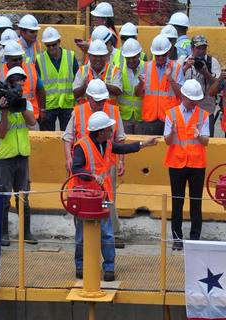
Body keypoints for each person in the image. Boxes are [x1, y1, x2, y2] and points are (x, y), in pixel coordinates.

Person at [71, 110, 156, 279]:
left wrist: (144, 144)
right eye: (110, 129)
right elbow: (76, 169)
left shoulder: (107, 144)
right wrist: (92, 175)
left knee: (107, 233)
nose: (112, 131)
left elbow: (123, 148)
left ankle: (109, 268)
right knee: (82, 235)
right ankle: (80, 266)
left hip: (103, 197)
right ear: (101, 132)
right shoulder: (82, 146)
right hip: (85, 198)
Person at [63, 77, 125, 244]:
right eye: (97, 101)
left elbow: (120, 139)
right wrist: (69, 157)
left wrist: (121, 162)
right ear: (89, 98)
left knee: (108, 201)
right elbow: (67, 137)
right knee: (83, 204)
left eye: (103, 100)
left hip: (106, 166)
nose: (101, 103)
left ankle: (110, 235)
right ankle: (84, 240)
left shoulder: (113, 111)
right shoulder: (78, 112)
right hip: (83, 169)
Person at [0, 68, 38, 246]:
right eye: (16, 84)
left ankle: (26, 233)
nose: (20, 88)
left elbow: (32, 122)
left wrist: (19, 104)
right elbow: (0, 134)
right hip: (3, 158)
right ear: (9, 83)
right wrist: (4, 110)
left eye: (22, 84)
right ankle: (3, 234)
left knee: (23, 197)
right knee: (2, 198)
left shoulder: (25, 104)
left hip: (21, 157)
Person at [163, 79, 209, 251]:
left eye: (196, 100)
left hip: (197, 163)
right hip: (176, 163)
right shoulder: (171, 114)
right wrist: (172, 133)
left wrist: (199, 136)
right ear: (183, 96)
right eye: (191, 100)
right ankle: (177, 238)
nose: (193, 103)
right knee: (177, 202)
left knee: (196, 203)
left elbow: (206, 141)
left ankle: (194, 238)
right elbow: (167, 141)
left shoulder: (203, 115)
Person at [0, 40, 44, 124]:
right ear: (7, 59)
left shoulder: (31, 68)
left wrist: (42, 109)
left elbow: (40, 89)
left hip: (30, 114)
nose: (18, 62)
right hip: (7, 116)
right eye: (15, 60)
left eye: (20, 59)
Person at [38, 27, 78, 132]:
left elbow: (78, 79)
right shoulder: (40, 59)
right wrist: (41, 108)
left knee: (68, 135)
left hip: (67, 104)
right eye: (48, 45)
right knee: (48, 135)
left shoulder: (70, 56)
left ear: (59, 42)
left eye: (53, 45)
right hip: (48, 105)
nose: (51, 48)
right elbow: (38, 85)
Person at [139, 36, 182, 135]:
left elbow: (180, 95)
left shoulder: (176, 68)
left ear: (168, 52)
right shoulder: (146, 67)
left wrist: (170, 78)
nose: (160, 58)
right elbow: (138, 93)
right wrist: (140, 83)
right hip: (149, 119)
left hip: (170, 119)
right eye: (157, 55)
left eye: (163, 55)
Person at [179, 36, 221, 135]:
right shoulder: (183, 60)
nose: (201, 51)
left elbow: (217, 85)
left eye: (204, 48)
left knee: (206, 139)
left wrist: (205, 73)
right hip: (187, 110)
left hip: (206, 109)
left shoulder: (212, 62)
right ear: (192, 48)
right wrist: (185, 68)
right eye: (198, 48)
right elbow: (174, 80)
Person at [108, 38, 145, 134]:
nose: (131, 60)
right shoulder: (119, 69)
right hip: (124, 115)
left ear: (139, 55)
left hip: (141, 115)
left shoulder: (146, 67)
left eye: (133, 57)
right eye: (128, 58)